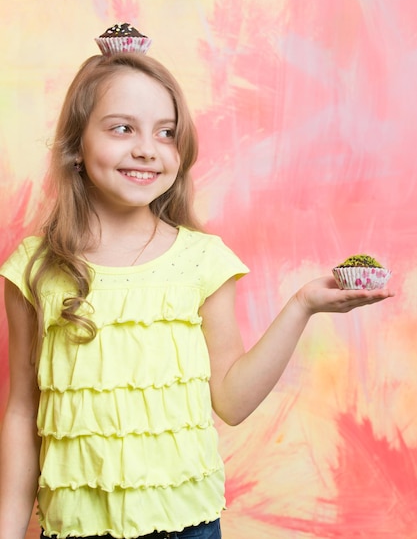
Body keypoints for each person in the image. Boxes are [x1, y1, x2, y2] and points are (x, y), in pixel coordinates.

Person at [0, 39, 394, 539]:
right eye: (123, 128)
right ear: (77, 145)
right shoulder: (36, 267)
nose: (147, 148)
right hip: (73, 527)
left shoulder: (202, 261)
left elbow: (230, 400)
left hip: (187, 526)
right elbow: (20, 411)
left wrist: (302, 306)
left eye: (166, 133)